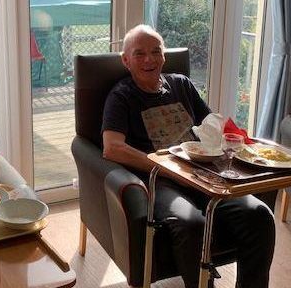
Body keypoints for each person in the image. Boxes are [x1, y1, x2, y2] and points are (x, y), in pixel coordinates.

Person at [102, 24, 275, 288]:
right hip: (162, 179)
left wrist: (242, 144)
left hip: (203, 171)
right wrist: (167, 167)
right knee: (190, 222)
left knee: (260, 214)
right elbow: (112, 147)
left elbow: (212, 125)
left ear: (164, 56)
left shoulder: (181, 84)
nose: (149, 59)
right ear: (126, 60)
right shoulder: (121, 96)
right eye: (139, 54)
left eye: (155, 51)